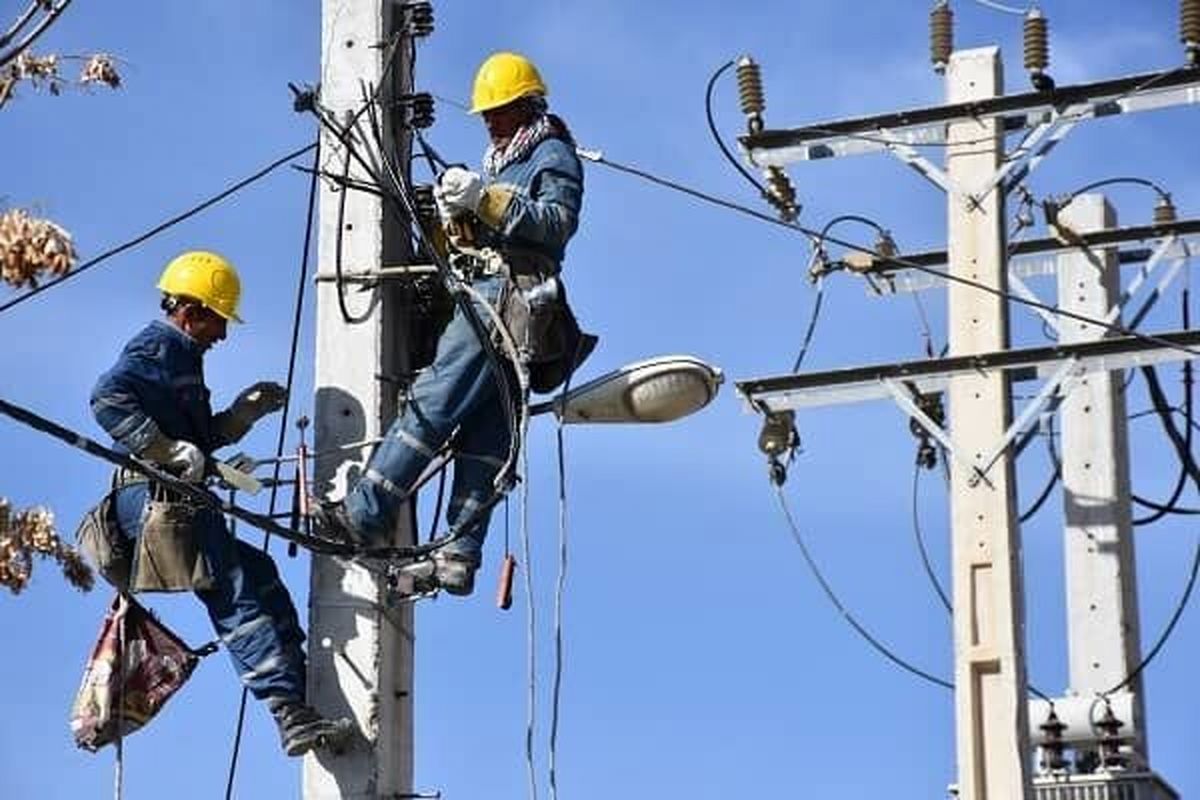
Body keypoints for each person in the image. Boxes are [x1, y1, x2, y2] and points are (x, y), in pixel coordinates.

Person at [314, 51, 591, 595]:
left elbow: (556, 225)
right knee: (486, 435)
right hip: (506, 305)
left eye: (499, 111)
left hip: (504, 297)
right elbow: (492, 219)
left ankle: (365, 512)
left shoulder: (551, 154)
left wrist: (485, 201)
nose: (489, 120)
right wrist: (457, 214)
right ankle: (458, 555)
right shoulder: (506, 158)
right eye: (486, 113)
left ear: (526, 105)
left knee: (432, 405)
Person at [88, 250, 352, 757]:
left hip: (172, 495)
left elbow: (198, 440)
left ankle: (295, 681)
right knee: (231, 585)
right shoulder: (158, 345)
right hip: (150, 497)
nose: (223, 334)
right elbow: (106, 398)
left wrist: (239, 417)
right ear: (191, 311)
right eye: (218, 321)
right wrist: (162, 449)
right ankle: (286, 708)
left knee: (259, 572)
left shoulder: (184, 358)